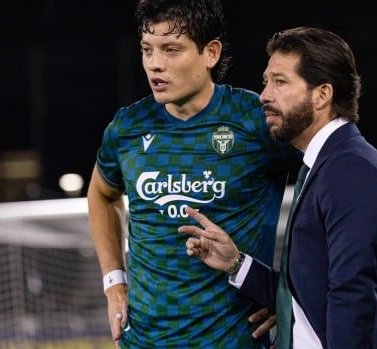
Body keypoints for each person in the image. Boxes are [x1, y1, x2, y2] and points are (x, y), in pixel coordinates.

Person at [179, 27, 377, 348]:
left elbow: (352, 297)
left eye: (280, 81)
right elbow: (307, 298)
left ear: (322, 95)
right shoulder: (327, 165)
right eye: (266, 81)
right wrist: (236, 263)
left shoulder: (352, 171)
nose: (264, 94)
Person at [87, 0, 297, 347]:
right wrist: (114, 283)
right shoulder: (127, 128)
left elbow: (320, 195)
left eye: (171, 50)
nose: (154, 64)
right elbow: (102, 194)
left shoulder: (255, 120)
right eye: (147, 49)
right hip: (142, 341)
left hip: (233, 341)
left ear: (210, 53)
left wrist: (285, 292)